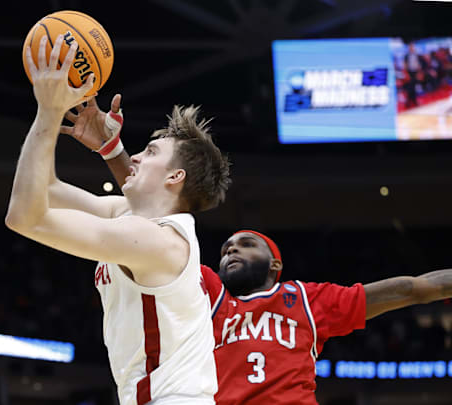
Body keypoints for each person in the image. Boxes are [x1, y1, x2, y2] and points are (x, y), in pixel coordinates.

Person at [67, 95, 452, 405]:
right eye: (227, 247)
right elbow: (150, 210)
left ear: (275, 265)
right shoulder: (206, 293)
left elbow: (411, 288)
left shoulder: (306, 299)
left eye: (246, 245)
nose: (231, 251)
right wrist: (112, 149)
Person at [6, 34, 231, 405]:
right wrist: (76, 127)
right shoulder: (126, 216)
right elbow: (43, 188)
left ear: (175, 178)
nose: (137, 157)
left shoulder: (158, 241)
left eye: (151, 151)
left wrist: (48, 111)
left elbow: (25, 218)